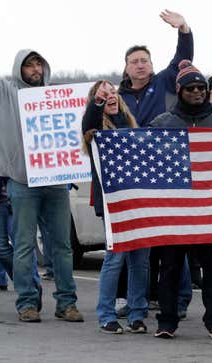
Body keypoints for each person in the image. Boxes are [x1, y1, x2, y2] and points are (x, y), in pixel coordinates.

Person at [149, 60, 212, 339]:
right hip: (175, 210)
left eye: (202, 87)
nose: (198, 92)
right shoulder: (162, 124)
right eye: (191, 88)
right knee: (171, 268)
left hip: (211, 209)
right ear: (180, 91)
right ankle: (167, 322)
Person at [117, 9, 194, 318]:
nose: (140, 64)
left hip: (165, 174)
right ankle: (132, 297)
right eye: (134, 60)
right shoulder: (116, 95)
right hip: (132, 178)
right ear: (125, 67)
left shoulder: (163, 82)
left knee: (171, 241)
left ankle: (179, 299)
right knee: (134, 240)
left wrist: (184, 29)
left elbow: (182, 59)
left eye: (144, 60)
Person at [0, 50, 83, 323]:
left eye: (38, 64)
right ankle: (27, 303)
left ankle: (67, 303)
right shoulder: (7, 92)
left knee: (61, 246)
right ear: (18, 68)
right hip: (22, 182)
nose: (35, 69)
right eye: (28, 65)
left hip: (56, 181)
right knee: (24, 245)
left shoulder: (56, 96)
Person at [81, 80, 149, 334]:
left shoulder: (133, 127)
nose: (110, 95)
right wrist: (96, 103)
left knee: (140, 260)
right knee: (115, 258)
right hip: (112, 204)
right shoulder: (95, 130)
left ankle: (137, 313)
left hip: (138, 202)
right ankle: (106, 315)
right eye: (103, 93)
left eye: (112, 91)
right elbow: (89, 122)